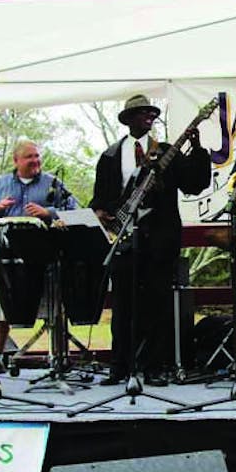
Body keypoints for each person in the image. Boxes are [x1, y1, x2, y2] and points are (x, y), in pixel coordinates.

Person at [91, 95, 210, 386]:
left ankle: (154, 367)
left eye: (151, 113)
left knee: (158, 304)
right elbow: (99, 199)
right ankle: (119, 366)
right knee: (122, 306)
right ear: (128, 118)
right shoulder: (110, 155)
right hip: (123, 239)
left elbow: (195, 184)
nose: (149, 117)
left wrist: (196, 148)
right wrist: (102, 215)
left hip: (159, 239)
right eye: (142, 113)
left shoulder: (166, 152)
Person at [0, 139, 78, 368]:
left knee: (54, 312)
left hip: (43, 261)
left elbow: (75, 209)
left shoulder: (52, 183)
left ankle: (60, 359)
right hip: (3, 261)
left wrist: (48, 212)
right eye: (29, 157)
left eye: (37, 156)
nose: (35, 161)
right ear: (16, 160)